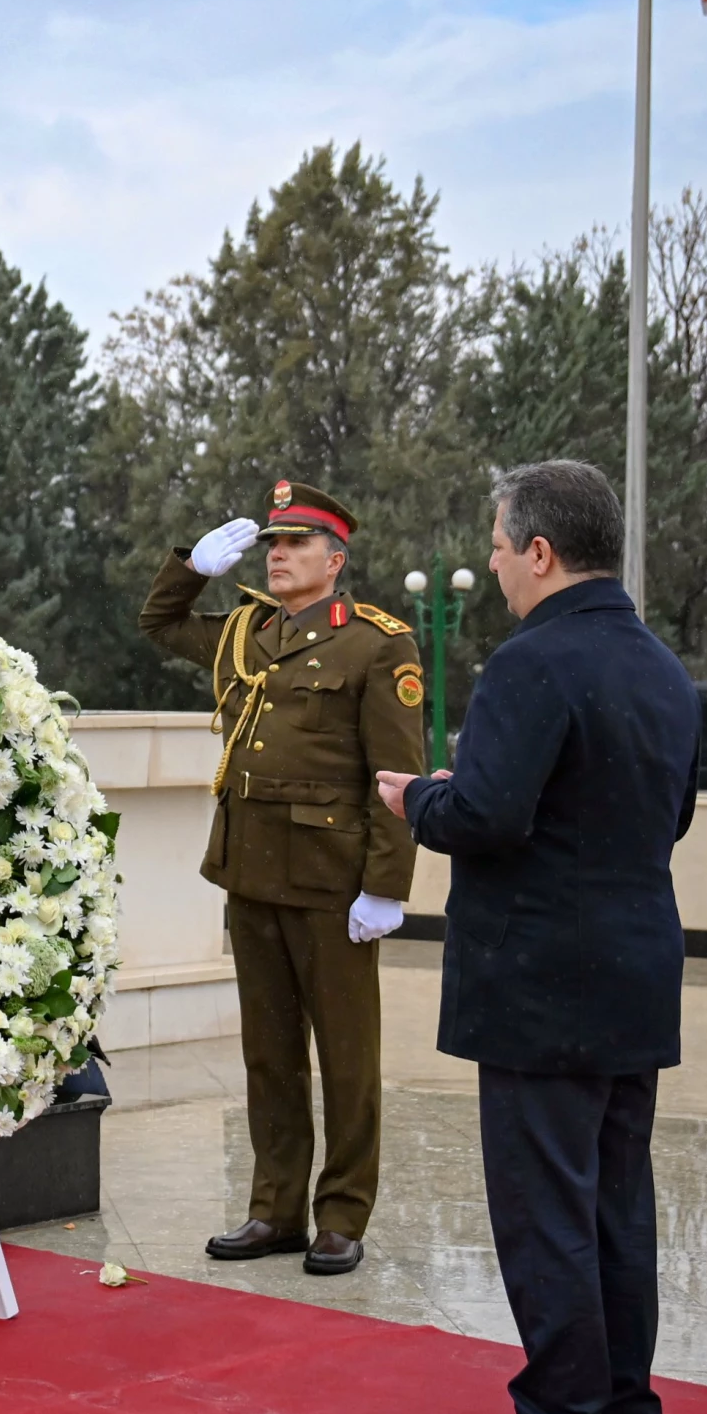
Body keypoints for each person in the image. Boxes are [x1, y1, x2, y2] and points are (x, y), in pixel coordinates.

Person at [372, 459, 700, 1414]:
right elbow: (671, 815)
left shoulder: (533, 661)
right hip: (634, 975)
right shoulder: (660, 667)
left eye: (504, 549)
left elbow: (490, 815)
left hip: (540, 985)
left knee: (548, 1217)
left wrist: (418, 797)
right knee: (616, 1215)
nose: (500, 568)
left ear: (542, 552)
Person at [139, 480, 424, 1277]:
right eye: (271, 544)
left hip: (333, 882)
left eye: (296, 544)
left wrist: (386, 886)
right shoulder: (242, 632)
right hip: (250, 869)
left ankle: (341, 1214)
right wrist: (189, 569)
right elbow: (158, 623)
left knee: (346, 1056)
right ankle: (275, 1209)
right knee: (269, 1054)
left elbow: (394, 772)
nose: (279, 555)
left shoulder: (377, 643)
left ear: (335, 561)